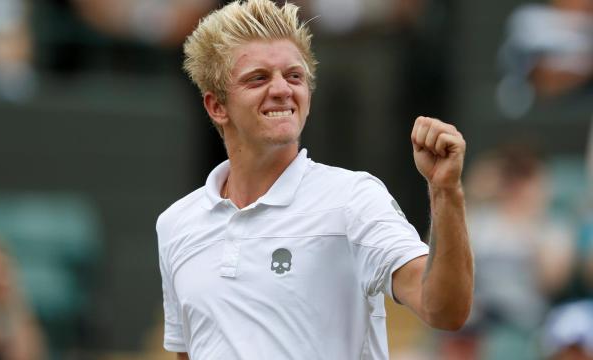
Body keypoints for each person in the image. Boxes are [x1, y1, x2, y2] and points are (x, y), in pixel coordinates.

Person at [155, 0, 473, 359]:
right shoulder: (175, 225)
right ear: (217, 106)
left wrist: (446, 192)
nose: (281, 89)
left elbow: (444, 310)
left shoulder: (355, 199)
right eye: (258, 78)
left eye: (294, 76)